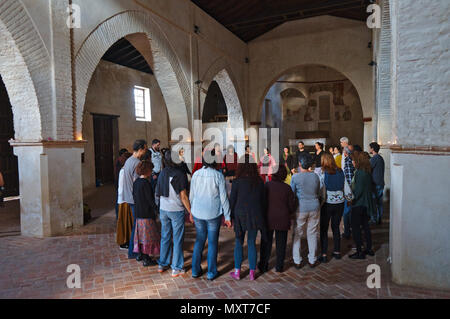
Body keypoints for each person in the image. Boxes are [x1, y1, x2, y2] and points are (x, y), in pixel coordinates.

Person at [189, 149, 232, 281]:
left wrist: (191, 212)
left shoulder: (196, 174)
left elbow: (192, 196)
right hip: (213, 213)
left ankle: (195, 270)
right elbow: (224, 198)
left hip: (198, 213)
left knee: (199, 240)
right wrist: (228, 217)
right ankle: (211, 272)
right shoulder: (218, 176)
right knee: (212, 242)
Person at [229, 155, 267, 281]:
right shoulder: (259, 182)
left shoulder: (236, 182)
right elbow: (263, 201)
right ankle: (252, 273)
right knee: (251, 242)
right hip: (255, 214)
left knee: (239, 242)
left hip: (240, 214)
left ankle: (237, 272)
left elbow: (232, 200)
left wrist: (229, 217)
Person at [155, 151, 191, 277]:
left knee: (165, 236)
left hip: (163, 209)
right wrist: (190, 211)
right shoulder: (180, 174)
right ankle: (176, 267)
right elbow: (183, 196)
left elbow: (157, 192)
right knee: (177, 239)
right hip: (176, 210)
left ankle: (163, 264)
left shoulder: (163, 172)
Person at [259, 166, 297, 273]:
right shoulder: (287, 188)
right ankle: (279, 266)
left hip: (268, 217)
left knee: (266, 242)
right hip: (282, 218)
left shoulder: (267, 186)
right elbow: (291, 206)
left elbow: (262, 202)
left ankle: (263, 265)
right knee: (281, 243)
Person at [290, 155, 321, 268]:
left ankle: (297, 260)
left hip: (301, 207)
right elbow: (318, 191)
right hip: (314, 206)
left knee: (298, 234)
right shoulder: (315, 176)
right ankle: (312, 259)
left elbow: (292, 193)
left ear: (299, 164)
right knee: (312, 233)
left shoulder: (295, 177)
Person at [119, 140, 148, 257]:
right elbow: (138, 183)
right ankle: (133, 252)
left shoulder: (129, 160)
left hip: (129, 197)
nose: (146, 151)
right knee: (137, 226)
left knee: (136, 225)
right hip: (134, 198)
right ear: (140, 149)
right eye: (145, 149)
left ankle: (135, 251)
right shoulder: (136, 163)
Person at [318, 153, 348, 263]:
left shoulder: (323, 173)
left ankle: (324, 254)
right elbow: (345, 185)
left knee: (324, 228)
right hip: (340, 202)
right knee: (336, 227)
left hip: (327, 203)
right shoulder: (340, 171)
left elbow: (320, 188)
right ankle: (337, 252)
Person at [132, 160, 160, 267]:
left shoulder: (136, 182)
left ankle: (141, 254)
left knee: (140, 236)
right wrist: (156, 209)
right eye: (151, 169)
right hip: (146, 213)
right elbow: (150, 200)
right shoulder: (146, 183)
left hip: (138, 212)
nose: (151, 171)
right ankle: (146, 258)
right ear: (147, 170)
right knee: (147, 238)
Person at [349, 152, 375, 259]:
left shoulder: (359, 172)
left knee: (356, 228)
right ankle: (369, 248)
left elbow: (358, 190)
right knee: (366, 226)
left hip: (359, 203)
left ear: (358, 161)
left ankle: (359, 251)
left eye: (353, 160)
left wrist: (351, 199)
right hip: (366, 203)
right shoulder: (367, 172)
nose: (352, 162)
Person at [369, 142, 385, 225]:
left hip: (375, 183)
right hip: (380, 182)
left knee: (374, 202)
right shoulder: (380, 158)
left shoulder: (375, 158)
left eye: (370, 148)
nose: (369, 149)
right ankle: (379, 218)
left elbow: (368, 168)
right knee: (379, 202)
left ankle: (374, 219)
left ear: (372, 149)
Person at [342, 146, 355, 239]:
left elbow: (349, 176)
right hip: (351, 188)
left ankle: (347, 232)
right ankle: (351, 229)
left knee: (346, 212)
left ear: (346, 153)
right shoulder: (352, 159)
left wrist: (348, 190)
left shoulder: (347, 160)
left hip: (349, 189)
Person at [114, 149, 132, 219]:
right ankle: (118, 216)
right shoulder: (120, 163)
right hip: (119, 183)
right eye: (125, 155)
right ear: (121, 155)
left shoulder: (122, 162)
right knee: (119, 200)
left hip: (120, 183)